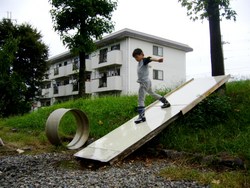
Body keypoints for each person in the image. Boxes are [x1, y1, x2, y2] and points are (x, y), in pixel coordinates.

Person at [132, 48, 171, 124]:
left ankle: (142, 117)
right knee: (152, 93)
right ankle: (165, 102)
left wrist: (158, 60)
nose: (136, 59)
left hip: (144, 83)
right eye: (135, 58)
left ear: (141, 55)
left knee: (140, 98)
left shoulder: (144, 60)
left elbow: (150, 58)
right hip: (147, 82)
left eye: (137, 57)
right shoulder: (140, 62)